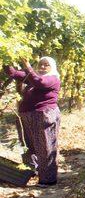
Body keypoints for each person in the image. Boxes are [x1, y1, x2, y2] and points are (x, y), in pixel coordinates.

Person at [2, 57, 61, 187]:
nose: (43, 67)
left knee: (45, 146)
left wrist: (28, 65)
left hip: (44, 116)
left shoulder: (53, 78)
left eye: (47, 65)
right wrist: (5, 56)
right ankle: (32, 172)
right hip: (28, 116)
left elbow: (40, 82)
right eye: (41, 64)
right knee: (30, 145)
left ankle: (48, 180)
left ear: (52, 67)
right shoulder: (32, 76)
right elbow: (14, 73)